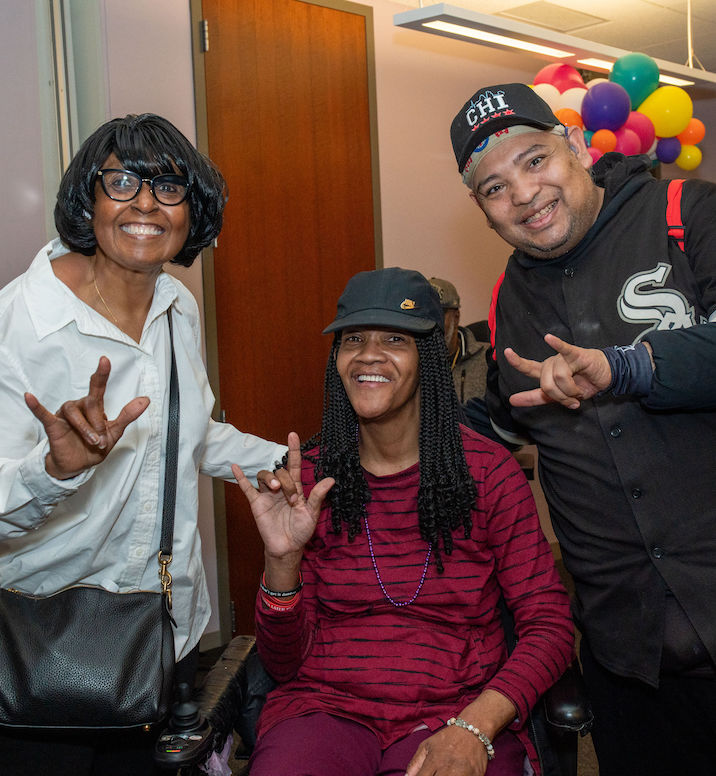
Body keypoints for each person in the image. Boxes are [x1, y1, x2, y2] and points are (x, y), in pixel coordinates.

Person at [0, 113, 286, 775]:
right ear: (88, 198)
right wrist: (53, 470)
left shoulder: (177, 304)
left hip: (164, 628)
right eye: (122, 181)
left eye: (169, 187)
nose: (145, 205)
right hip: (42, 639)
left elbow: (189, 434)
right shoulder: (23, 323)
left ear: (193, 210)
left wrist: (281, 463)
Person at [449, 81, 716, 775]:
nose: (525, 195)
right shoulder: (512, 296)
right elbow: (508, 422)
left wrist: (627, 367)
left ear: (574, 145)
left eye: (535, 160)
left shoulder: (687, 213)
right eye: (495, 188)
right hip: (629, 664)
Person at [232, 267, 573, 776]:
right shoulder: (312, 484)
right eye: (353, 340)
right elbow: (282, 665)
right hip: (325, 709)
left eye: (395, 338)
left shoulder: (489, 474)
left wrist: (476, 726)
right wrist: (281, 563)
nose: (369, 354)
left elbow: (550, 626)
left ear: (429, 358)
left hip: (457, 710)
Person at [428, 276, 489, 404]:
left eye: (438, 314)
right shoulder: (411, 361)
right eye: (424, 315)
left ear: (456, 317)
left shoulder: (488, 359)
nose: (431, 323)